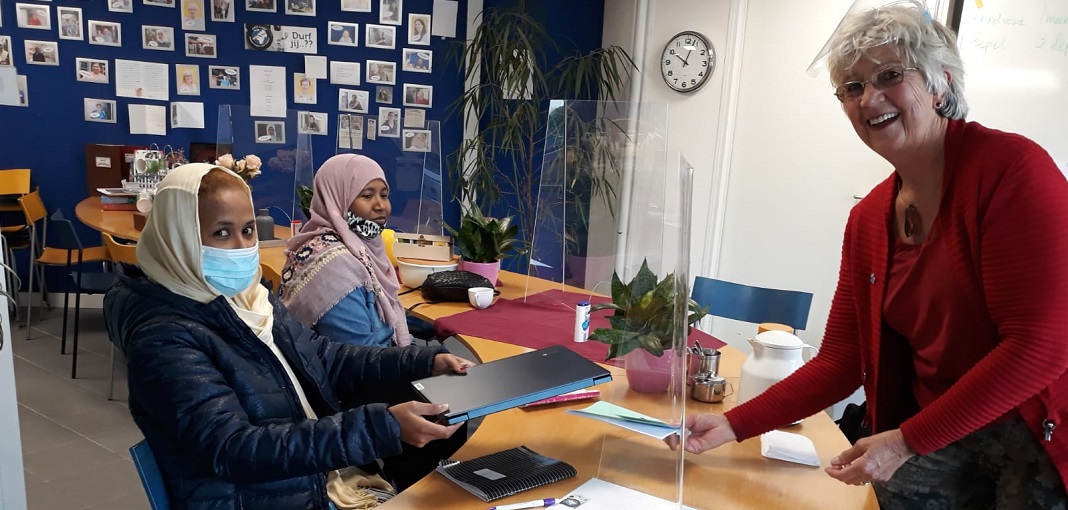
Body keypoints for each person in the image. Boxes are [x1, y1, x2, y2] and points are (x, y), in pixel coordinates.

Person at [668, 2, 1068, 507]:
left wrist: (905, 441)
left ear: (941, 83)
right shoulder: (869, 217)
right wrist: (733, 423)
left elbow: (1042, 346)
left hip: (1034, 434)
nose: (869, 98)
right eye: (852, 87)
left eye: (890, 75)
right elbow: (842, 360)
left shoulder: (1012, 171)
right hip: (935, 430)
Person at [104, 163, 475, 509]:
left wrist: (422, 361)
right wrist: (381, 428)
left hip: (307, 479)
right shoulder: (164, 338)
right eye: (222, 233)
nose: (242, 247)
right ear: (177, 236)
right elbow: (235, 449)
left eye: (248, 230)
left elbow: (323, 357)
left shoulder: (248, 299)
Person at [280, 154, 409, 348]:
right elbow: (362, 355)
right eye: (367, 196)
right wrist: (425, 360)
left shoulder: (363, 249)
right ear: (336, 199)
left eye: (384, 195)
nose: (380, 206)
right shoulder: (334, 266)